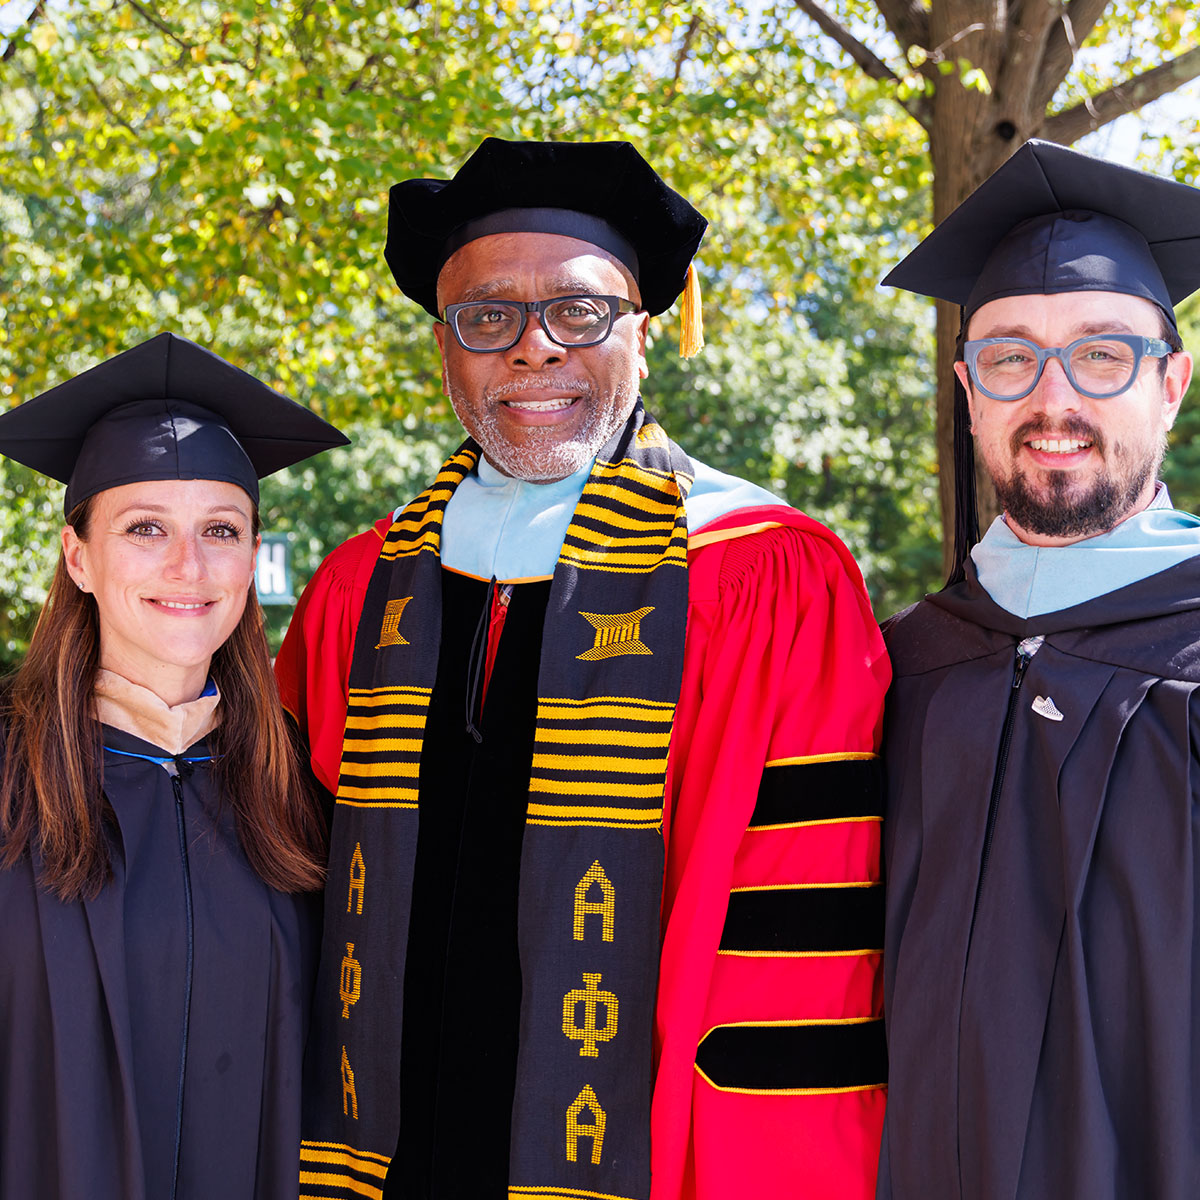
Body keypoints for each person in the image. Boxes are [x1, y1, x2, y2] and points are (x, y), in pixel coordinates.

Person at [278, 137, 891, 1200]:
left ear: (643, 335)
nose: (533, 350)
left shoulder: (767, 576)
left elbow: (804, 937)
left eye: (578, 312)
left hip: (652, 1154)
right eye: (487, 316)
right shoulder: (357, 591)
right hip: (384, 1151)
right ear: (445, 346)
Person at [877, 139, 1200, 1199]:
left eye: (1102, 355)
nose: (1053, 399)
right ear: (970, 392)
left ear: (1172, 384)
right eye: (1012, 358)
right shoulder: (904, 663)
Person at [0, 331, 348, 1200]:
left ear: (250, 558)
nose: (187, 565)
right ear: (79, 557)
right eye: (145, 527)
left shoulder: (300, 787)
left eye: (220, 530)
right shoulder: (11, 776)